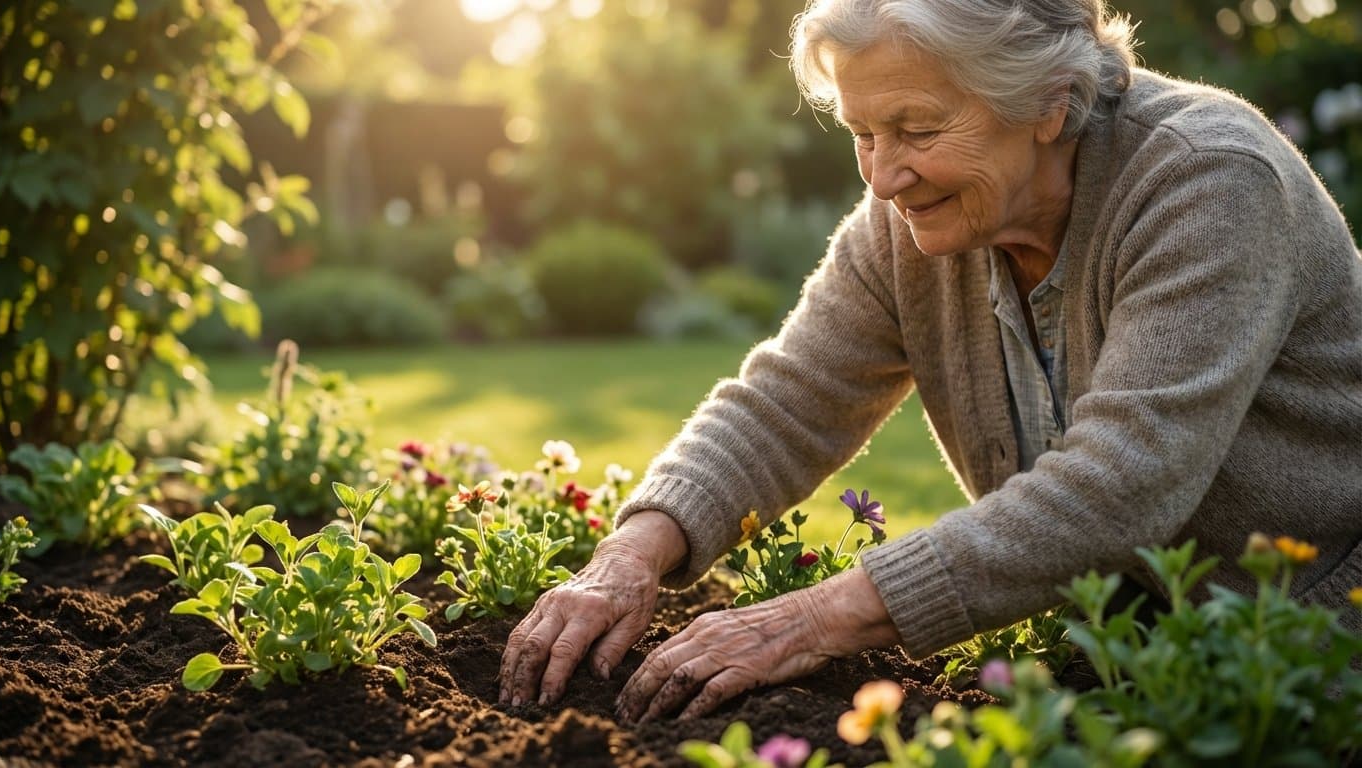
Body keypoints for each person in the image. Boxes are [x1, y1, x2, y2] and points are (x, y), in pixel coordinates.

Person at [499, 0, 1362, 721]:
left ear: (1050, 104)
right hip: (1146, 653)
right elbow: (785, 403)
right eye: (863, 133)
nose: (881, 177)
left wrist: (811, 621)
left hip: (1315, 640)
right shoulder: (914, 228)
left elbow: (1123, 481)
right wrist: (630, 556)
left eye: (914, 127)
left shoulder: (1210, 181)